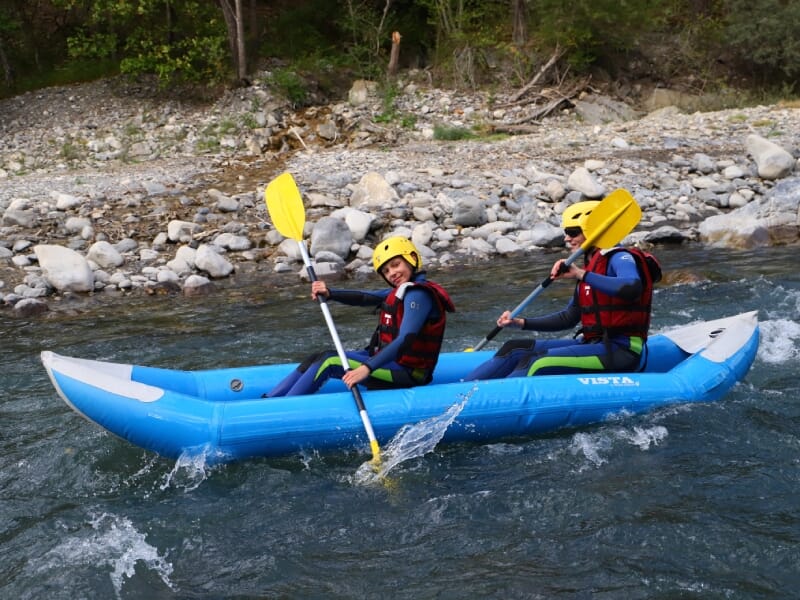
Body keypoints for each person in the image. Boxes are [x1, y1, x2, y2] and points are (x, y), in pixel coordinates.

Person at [465, 200, 657, 380]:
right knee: (514, 348)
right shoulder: (590, 266)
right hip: (592, 343)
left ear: (593, 231)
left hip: (622, 349)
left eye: (573, 232)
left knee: (537, 363)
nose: (566, 238)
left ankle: (490, 402)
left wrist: (581, 274)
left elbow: (632, 287)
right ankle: (461, 393)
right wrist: (520, 323)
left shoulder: (619, 257)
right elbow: (569, 318)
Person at [268, 236, 456, 397]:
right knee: (318, 356)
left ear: (412, 258)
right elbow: (366, 297)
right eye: (386, 271)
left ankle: (284, 408)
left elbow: (406, 339)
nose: (392, 273)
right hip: (389, 361)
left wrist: (367, 368)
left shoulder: (419, 295)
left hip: (408, 373)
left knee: (329, 361)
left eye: (395, 265)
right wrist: (330, 293)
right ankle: (270, 400)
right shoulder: (404, 291)